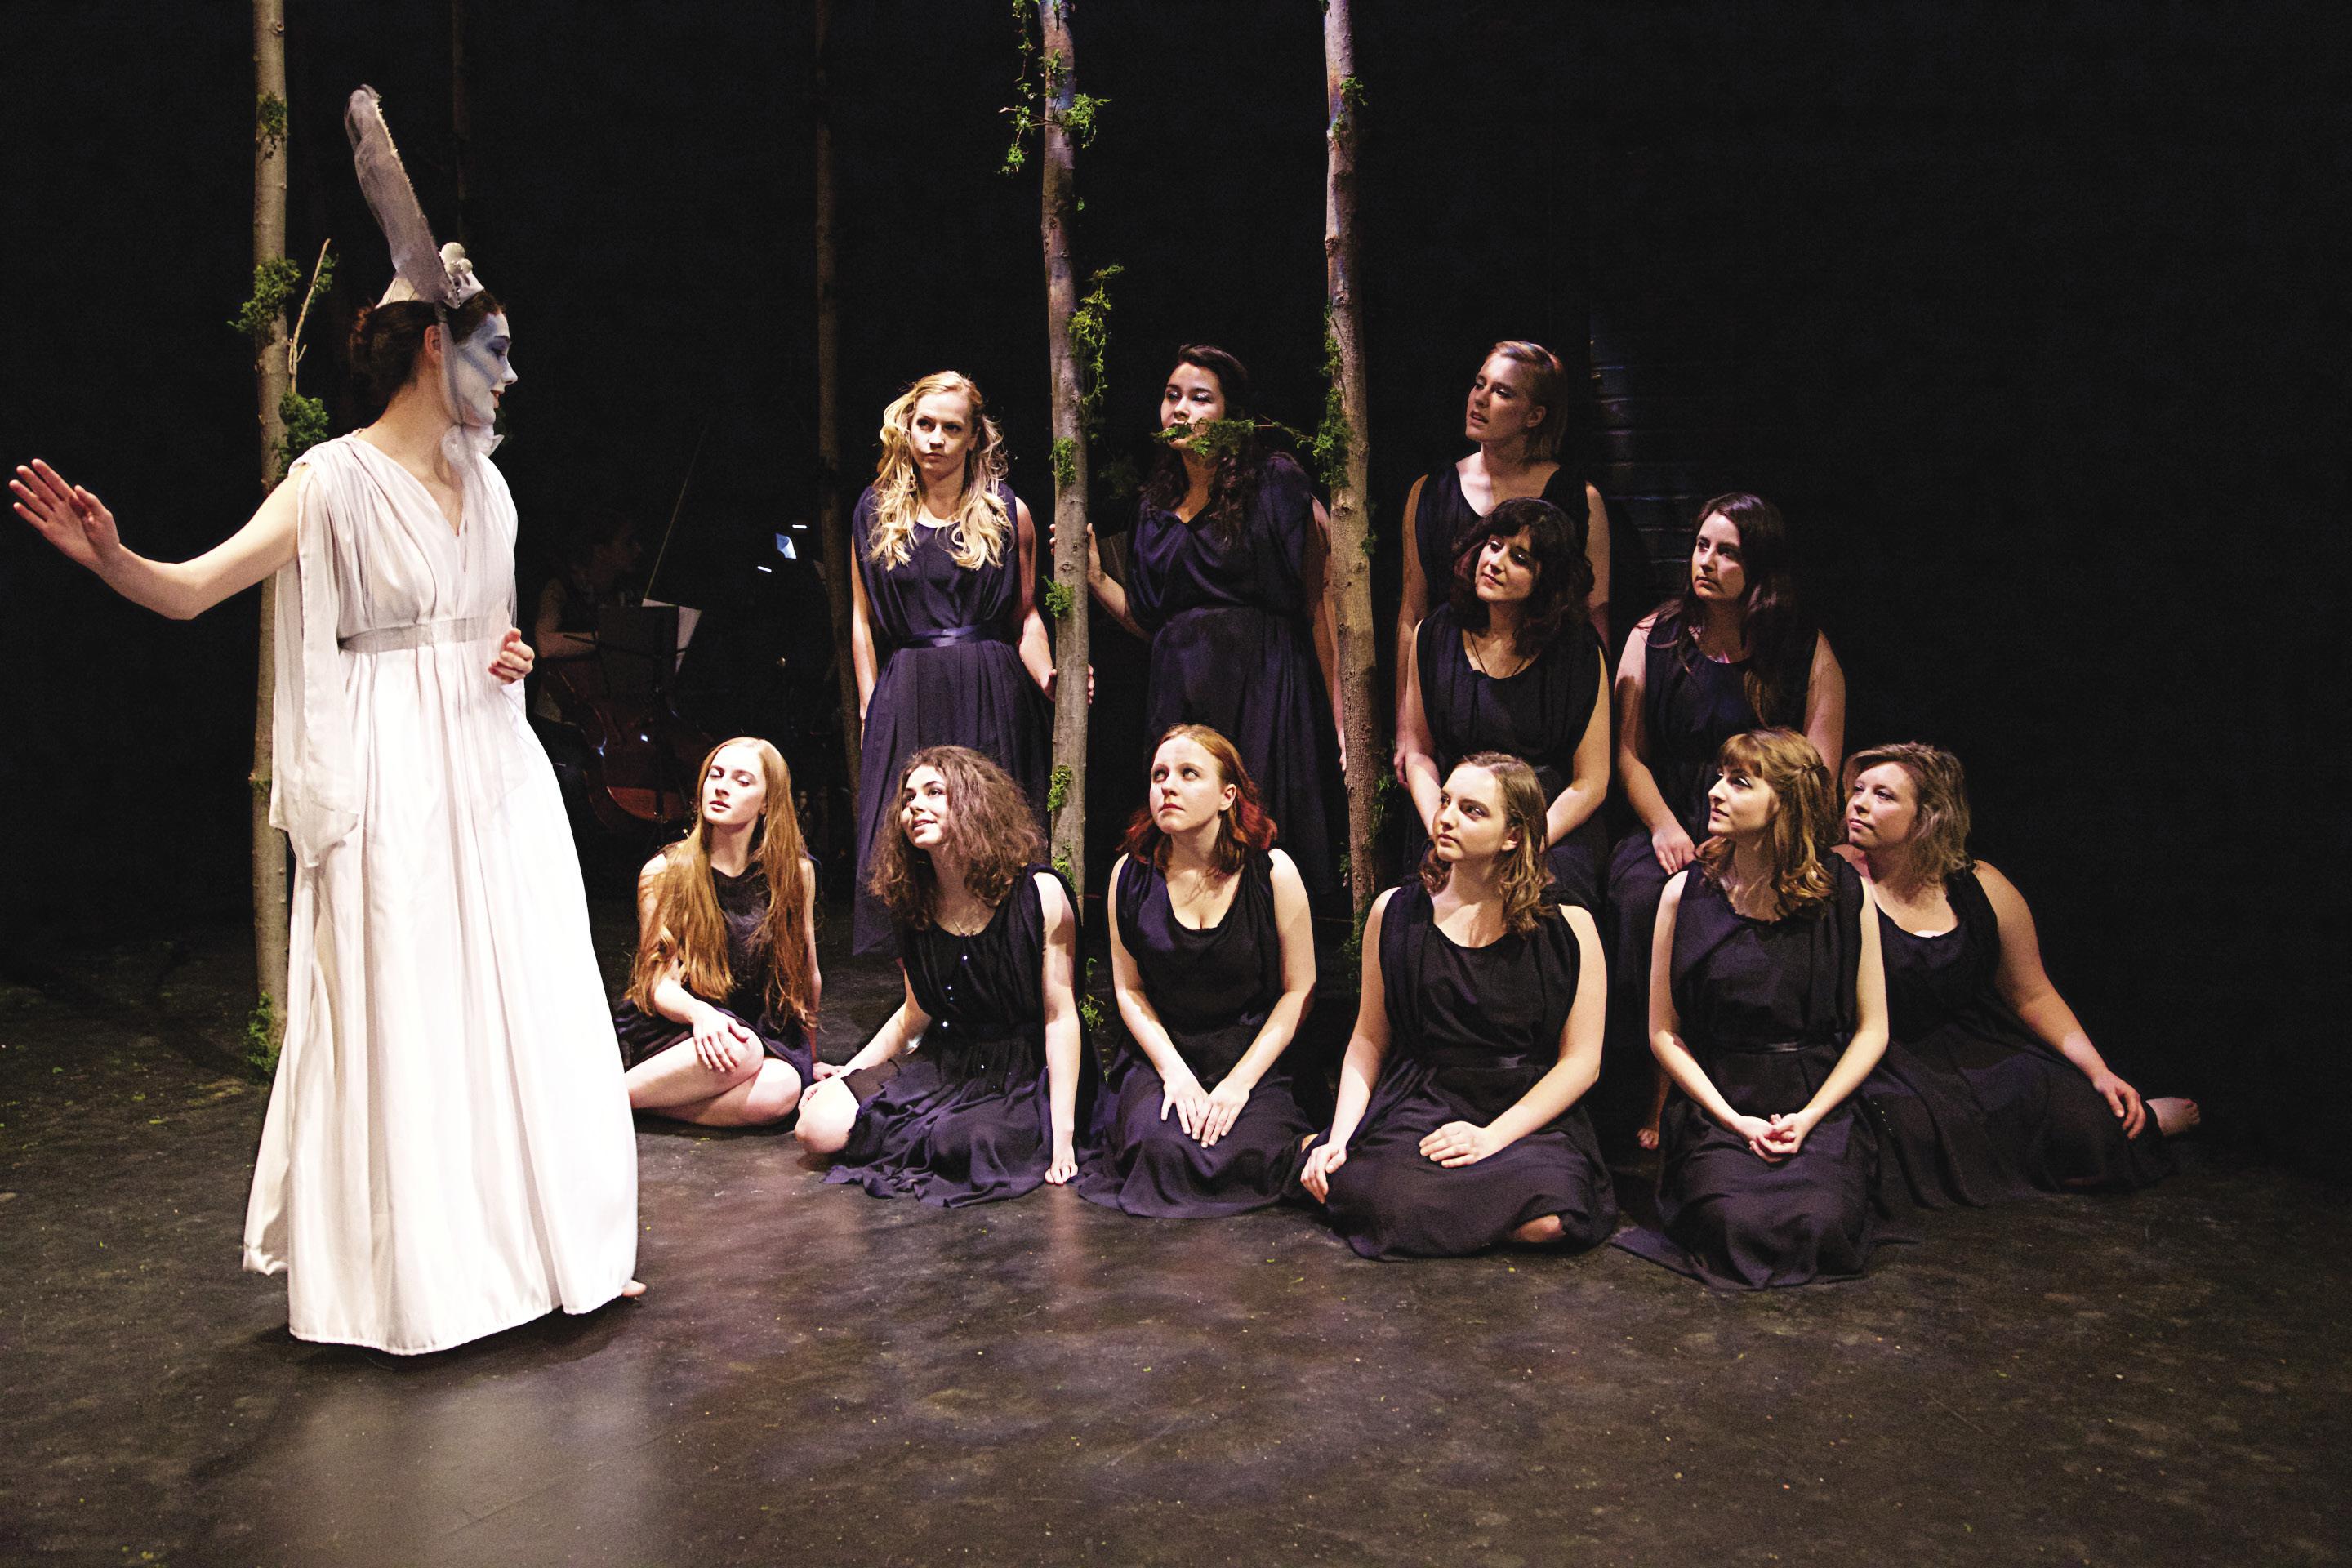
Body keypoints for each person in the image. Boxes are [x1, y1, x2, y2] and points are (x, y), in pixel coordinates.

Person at [9, 87, 638, 1352]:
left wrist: (505, 649)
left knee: (520, 998)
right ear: (429, 351)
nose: (508, 375)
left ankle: (546, 1250)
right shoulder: (331, 481)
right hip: (396, 776)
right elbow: (195, 590)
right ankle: (433, 1278)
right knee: (412, 1010)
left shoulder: (494, 488)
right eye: (493, 351)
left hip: (493, 769)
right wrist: (113, 561)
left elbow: (490, 624)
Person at [1841, 742, 2192, 1207]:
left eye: (1883, 794)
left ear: (1929, 815)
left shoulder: (1979, 884)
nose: (1859, 803)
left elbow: (2032, 995)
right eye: (1858, 789)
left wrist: (2099, 1070)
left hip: (1974, 1048)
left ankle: (2148, 1121)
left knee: (2085, 1122)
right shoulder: (1835, 874)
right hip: (1886, 1054)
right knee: (1902, 1134)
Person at [1301, 754, 1618, 1259]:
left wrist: (1490, 1139)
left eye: (1472, 810)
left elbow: (1582, 1061)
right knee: (1373, 1190)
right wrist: (1340, 1136)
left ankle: (1451, 1214)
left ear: (1513, 835)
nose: (1445, 817)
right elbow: (1368, 1039)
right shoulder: (1395, 912)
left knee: (1556, 1217)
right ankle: (1447, 1208)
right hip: (1425, 1101)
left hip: (1523, 1110)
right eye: (1446, 800)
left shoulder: (1570, 924)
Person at [1606, 492, 1846, 1147]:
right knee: (1639, 897)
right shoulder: (1651, 635)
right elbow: (1626, 754)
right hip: (1675, 816)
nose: (1706, 562)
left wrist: (1760, 835)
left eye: (1728, 552)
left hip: (1769, 828)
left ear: (1761, 566)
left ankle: (1754, 1079)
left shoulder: (1801, 649)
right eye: (1702, 545)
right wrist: (1663, 826)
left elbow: (1817, 770)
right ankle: (1653, 1088)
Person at [1613, 730, 1888, 1290]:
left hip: (1813, 1096)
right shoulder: (1683, 895)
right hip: (1720, 1102)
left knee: (1821, 1223)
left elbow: (1873, 1028)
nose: (1715, 791)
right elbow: (1663, 1033)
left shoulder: (1844, 894)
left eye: (1739, 782)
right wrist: (1732, 1119)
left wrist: (1809, 1117)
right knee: (1730, 1224)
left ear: (1785, 802)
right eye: (1720, 776)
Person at [1083, 345, 1344, 907]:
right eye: (1172, 396)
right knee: (1187, 832)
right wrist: (1097, 579)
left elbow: (1322, 594)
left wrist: (1341, 713)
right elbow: (1153, 621)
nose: (1180, 409)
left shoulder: (1275, 482)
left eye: (1200, 398)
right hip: (1179, 694)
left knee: (1259, 828)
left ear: (1232, 414)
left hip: (1261, 683)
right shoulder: (1156, 503)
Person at [796, 746, 1090, 1205]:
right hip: (946, 1059)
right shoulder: (913, 902)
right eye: (909, 797)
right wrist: (847, 1074)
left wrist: (1065, 1129)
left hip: (1019, 1068)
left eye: (935, 792)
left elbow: (1060, 1018)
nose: (915, 805)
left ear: (973, 802)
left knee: (966, 1143)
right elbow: (914, 1015)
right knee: (817, 1127)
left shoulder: (1039, 893)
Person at [848, 372, 1053, 955]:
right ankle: (925, 984)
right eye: (926, 425)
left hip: (989, 684)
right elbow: (862, 620)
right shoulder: (874, 511)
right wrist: (869, 702)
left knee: (985, 827)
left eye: (951, 428)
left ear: (973, 439)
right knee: (912, 834)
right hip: (907, 684)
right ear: (907, 429)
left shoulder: (1009, 512)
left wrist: (1047, 674)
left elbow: (1026, 616)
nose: (936, 438)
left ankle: (997, 965)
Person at [1077, 726, 1317, 1218]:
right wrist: (1176, 1076)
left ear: (1228, 795)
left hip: (1252, 1051)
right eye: (1160, 775)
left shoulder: (1272, 872)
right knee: (1164, 1150)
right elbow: (1129, 988)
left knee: (1255, 1144)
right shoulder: (1130, 874)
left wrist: (1240, 1082)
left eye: (1189, 774)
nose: (1168, 786)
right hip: (1165, 1052)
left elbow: (1301, 989)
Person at [1392, 341, 1616, 770]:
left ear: (1535, 415)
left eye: (1502, 392)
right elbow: (1412, 611)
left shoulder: (1579, 498)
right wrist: (1405, 724)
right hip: (1450, 703)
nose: (1480, 398)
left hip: (1542, 712)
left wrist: (1594, 730)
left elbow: (1595, 616)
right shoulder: (1430, 493)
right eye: (1480, 384)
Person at [1396, 496, 1610, 911]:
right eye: (1494, 545)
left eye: (1520, 558)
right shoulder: (1434, 634)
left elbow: (1591, 782)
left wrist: (1521, 842)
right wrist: (1442, 827)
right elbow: (1419, 754)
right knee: (1425, 896)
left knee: (1546, 895)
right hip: (1456, 811)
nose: (1495, 562)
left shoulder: (1577, 651)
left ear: (1546, 581)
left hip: (1545, 820)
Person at [613, 737, 820, 1128]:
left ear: (766, 803)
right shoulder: (665, 872)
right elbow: (657, 986)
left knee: (785, 1088)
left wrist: (812, 1055)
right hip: (680, 1032)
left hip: (751, 1033)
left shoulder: (795, 874)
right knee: (743, 1051)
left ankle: (642, 1102)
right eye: (716, 775)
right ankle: (605, 1100)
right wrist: (702, 1016)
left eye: (743, 781)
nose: (722, 786)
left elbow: (806, 970)